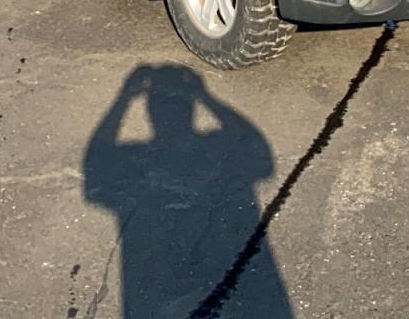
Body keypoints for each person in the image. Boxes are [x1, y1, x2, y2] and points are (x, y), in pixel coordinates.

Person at [83, 65, 292, 318]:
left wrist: (124, 99)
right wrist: (206, 97)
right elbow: (257, 151)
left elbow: (98, 162)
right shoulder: (211, 147)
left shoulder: (138, 157)